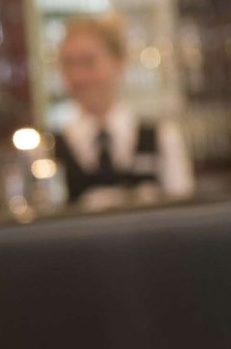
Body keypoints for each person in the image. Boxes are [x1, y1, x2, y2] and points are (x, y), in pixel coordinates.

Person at [53, 15, 194, 209]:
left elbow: (183, 214)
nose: (78, 76)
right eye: (69, 64)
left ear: (119, 62)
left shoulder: (161, 137)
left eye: (88, 62)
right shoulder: (51, 149)